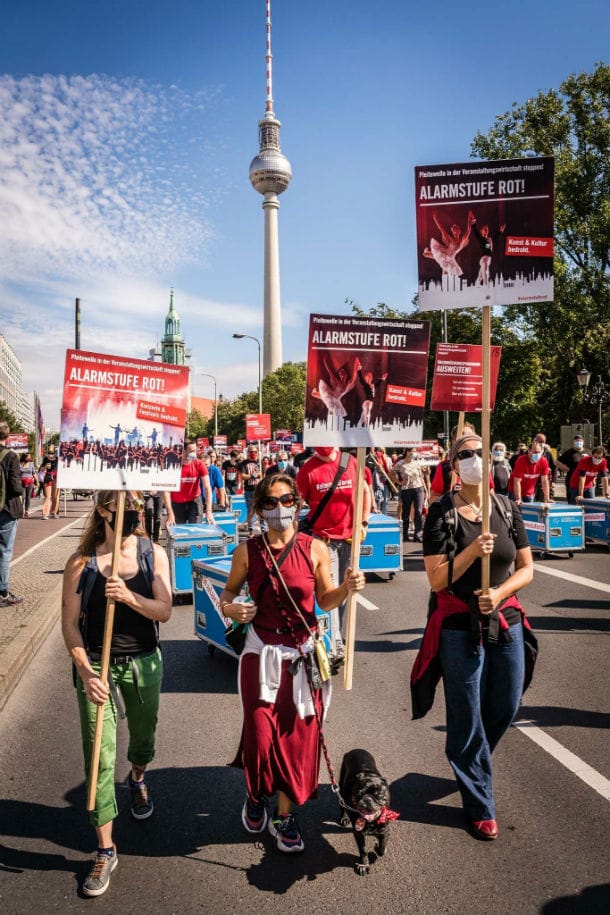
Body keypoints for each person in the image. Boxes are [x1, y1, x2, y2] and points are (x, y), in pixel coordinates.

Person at [221, 473, 365, 853]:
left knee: (296, 738)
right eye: (269, 502)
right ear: (259, 509)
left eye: (286, 500)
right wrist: (231, 608)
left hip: (303, 656)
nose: (279, 508)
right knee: (259, 733)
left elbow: (326, 599)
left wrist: (347, 589)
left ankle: (284, 815)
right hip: (260, 652)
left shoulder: (315, 549)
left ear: (298, 505)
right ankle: (255, 794)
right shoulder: (246, 551)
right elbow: (228, 594)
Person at [416, 432, 534, 840]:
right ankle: (480, 802)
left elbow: (526, 568)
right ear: (453, 467)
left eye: (481, 452)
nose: (475, 459)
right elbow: (435, 579)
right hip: (457, 627)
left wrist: (499, 593)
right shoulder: (441, 513)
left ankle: (472, 761)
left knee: (506, 702)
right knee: (466, 717)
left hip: (506, 621)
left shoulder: (505, 506)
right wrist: (471, 552)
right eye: (465, 454)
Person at [61, 491, 172, 897]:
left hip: (144, 662)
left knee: (143, 738)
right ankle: (105, 848)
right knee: (98, 756)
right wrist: (86, 671)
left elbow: (164, 609)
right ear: (103, 513)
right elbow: (69, 626)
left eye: (137, 507)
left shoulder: (152, 554)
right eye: (123, 507)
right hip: (97, 669)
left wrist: (129, 597)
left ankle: (139, 775)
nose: (132, 513)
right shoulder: (81, 563)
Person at [296, 447, 371, 662]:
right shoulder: (307, 471)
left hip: (350, 539)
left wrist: (364, 522)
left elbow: (365, 491)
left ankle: (336, 636)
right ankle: (335, 646)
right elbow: (297, 505)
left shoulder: (351, 461)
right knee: (330, 591)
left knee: (346, 590)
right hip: (323, 541)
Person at [0, 423, 24, 607]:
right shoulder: (10, 456)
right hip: (6, 509)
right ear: (7, 436)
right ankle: (2, 592)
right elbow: (15, 487)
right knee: (4, 551)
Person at [163, 440, 214, 526]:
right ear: (183, 451)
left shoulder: (199, 464)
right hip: (177, 504)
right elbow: (166, 491)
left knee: (195, 530)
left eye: (195, 450)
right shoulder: (172, 466)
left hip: (194, 501)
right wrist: (170, 512)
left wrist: (209, 512)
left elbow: (207, 487)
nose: (194, 453)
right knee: (178, 533)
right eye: (192, 451)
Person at [429, 422, 476, 503]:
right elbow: (434, 497)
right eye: (464, 435)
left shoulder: (481, 464)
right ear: (454, 441)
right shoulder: (444, 467)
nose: (468, 439)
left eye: (471, 436)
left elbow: (490, 492)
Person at [423, 210, 475, 279]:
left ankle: (427, 252)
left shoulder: (462, 241)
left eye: (455, 227)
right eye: (453, 228)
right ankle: (426, 251)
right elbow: (442, 229)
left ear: (459, 231)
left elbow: (468, 230)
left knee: (446, 273)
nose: (454, 229)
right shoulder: (450, 239)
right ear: (452, 231)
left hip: (450, 259)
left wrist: (469, 218)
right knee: (425, 254)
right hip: (443, 254)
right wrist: (435, 219)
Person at [394, 448, 429, 542]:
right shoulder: (399, 464)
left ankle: (418, 534)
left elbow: (421, 477)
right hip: (406, 490)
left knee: (418, 511)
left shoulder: (416, 463)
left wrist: (426, 490)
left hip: (419, 489)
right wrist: (399, 482)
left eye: (414, 451)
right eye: (412, 451)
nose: (413, 453)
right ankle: (405, 534)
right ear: (407, 452)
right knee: (406, 512)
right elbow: (391, 473)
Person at [508, 440, 551, 505]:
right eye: (534, 452)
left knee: (529, 511)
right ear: (529, 451)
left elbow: (544, 481)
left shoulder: (543, 461)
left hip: (529, 492)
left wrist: (547, 498)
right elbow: (517, 481)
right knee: (516, 511)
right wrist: (518, 499)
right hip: (514, 491)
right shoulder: (521, 460)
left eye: (538, 452)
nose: (536, 454)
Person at [471, 217, 505, 286]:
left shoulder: (490, 239)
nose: (486, 230)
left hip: (489, 259)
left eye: (487, 229)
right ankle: (486, 286)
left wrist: (501, 231)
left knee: (479, 277)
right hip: (484, 259)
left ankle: (477, 283)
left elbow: (496, 236)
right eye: (485, 229)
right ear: (482, 231)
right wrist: (473, 223)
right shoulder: (481, 239)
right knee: (486, 271)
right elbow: (476, 233)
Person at [238, 446, 263, 533]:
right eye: (251, 451)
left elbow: (262, 475)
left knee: (262, 509)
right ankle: (251, 529)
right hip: (249, 490)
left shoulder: (259, 462)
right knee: (251, 509)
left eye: (255, 452)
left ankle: (263, 529)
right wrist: (253, 475)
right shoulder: (243, 464)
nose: (253, 453)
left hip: (259, 489)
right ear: (248, 452)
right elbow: (243, 476)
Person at [557, 434, 587, 503]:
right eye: (576, 441)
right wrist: (565, 468)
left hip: (586, 481)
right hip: (572, 480)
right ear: (574, 442)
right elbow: (557, 461)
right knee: (573, 501)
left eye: (580, 440)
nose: (578, 442)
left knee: (586, 502)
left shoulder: (587, 452)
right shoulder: (569, 452)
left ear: (583, 442)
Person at [532, 433, 557, 500]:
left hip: (544, 481)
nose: (541, 443)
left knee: (543, 500)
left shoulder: (548, 453)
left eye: (543, 442)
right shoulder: (530, 452)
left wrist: (554, 480)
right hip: (531, 481)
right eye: (540, 441)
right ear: (535, 440)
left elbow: (554, 467)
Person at [40, 443, 60, 519]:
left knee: (56, 496)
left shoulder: (58, 459)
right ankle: (45, 513)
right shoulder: (46, 458)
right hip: (48, 477)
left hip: (56, 478)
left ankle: (54, 512)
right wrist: (45, 467)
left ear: (55, 452)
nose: (50, 454)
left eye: (52, 453)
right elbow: (41, 469)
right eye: (49, 453)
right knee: (47, 496)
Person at [19, 451, 37, 517]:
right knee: (22, 497)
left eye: (29, 456)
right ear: (24, 457)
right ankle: (21, 510)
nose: (29, 457)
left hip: (30, 482)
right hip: (21, 481)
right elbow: (17, 473)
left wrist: (37, 481)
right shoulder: (19, 464)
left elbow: (34, 473)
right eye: (28, 456)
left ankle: (26, 511)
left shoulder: (31, 464)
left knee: (28, 497)